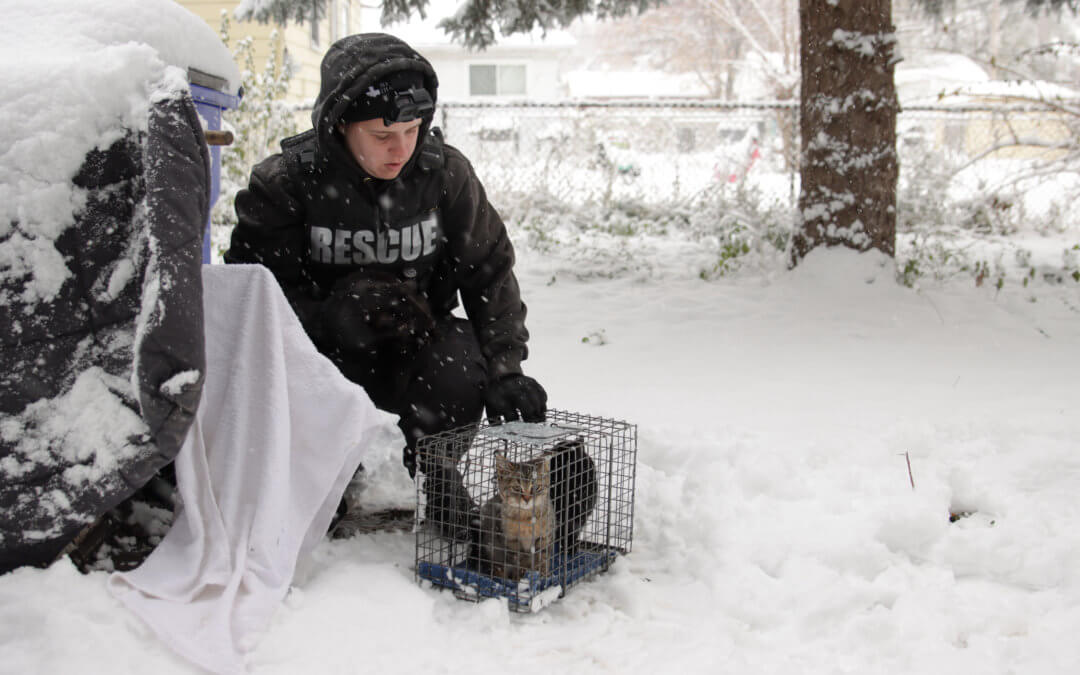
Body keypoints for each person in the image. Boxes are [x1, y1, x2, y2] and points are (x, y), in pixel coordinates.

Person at [223, 33, 547, 500]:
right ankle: (323, 475)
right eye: (382, 136)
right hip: (322, 356)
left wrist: (506, 368)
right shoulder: (287, 183)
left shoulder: (444, 175)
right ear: (339, 125)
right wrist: (329, 317)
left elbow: (489, 272)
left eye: (412, 132)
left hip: (420, 348)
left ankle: (438, 470)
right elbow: (250, 294)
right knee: (282, 377)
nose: (401, 150)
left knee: (460, 359)